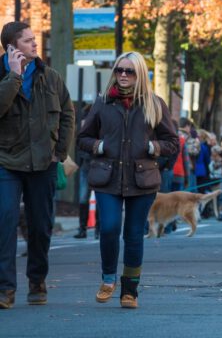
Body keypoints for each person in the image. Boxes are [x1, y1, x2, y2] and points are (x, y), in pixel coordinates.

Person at [77, 52, 178, 309]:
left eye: (129, 71)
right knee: (109, 227)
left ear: (140, 74)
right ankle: (108, 278)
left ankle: (130, 290)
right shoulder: (102, 103)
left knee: (133, 233)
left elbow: (172, 142)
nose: (123, 75)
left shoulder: (154, 104)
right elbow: (83, 139)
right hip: (107, 176)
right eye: (120, 70)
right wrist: (98, 146)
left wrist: (154, 147)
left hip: (141, 179)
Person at [0, 21, 75, 309]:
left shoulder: (50, 77)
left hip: (43, 162)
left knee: (41, 227)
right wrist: (13, 77)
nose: (34, 44)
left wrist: (59, 151)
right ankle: (6, 289)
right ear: (12, 47)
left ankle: (37, 282)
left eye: (34, 39)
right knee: (5, 223)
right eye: (28, 40)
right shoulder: (2, 73)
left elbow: (68, 114)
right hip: (6, 161)